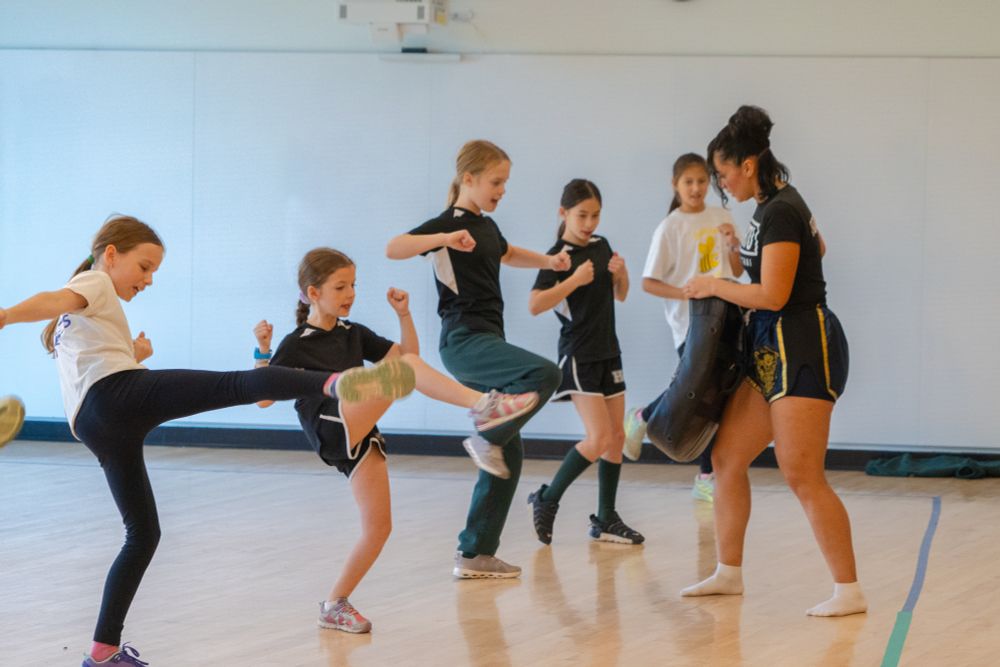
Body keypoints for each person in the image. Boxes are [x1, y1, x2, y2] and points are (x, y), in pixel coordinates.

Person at [0, 215, 416, 666]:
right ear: (112, 255)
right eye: (144, 267)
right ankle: (335, 383)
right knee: (236, 384)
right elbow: (53, 299)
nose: (149, 279)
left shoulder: (76, 318)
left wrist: (133, 354)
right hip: (116, 397)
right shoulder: (95, 281)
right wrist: (5, 315)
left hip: (94, 425)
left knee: (143, 534)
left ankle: (102, 652)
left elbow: (86, 356)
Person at [253, 247, 538, 632]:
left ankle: (334, 604)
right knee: (396, 372)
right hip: (330, 422)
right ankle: (485, 405)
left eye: (353, 285)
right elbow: (263, 397)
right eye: (340, 286)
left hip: (360, 432)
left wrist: (404, 314)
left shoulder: (354, 333)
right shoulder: (297, 341)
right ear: (313, 293)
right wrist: (263, 350)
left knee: (379, 528)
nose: (350, 293)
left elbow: (410, 361)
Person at [678, 106, 866, 617]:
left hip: (803, 347)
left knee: (801, 472)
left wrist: (716, 284)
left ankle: (848, 590)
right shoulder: (772, 206)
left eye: (723, 173)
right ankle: (728, 573)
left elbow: (775, 294)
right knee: (726, 457)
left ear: (748, 165)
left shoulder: (782, 209)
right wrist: (741, 263)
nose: (720, 184)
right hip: (770, 348)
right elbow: (817, 246)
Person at [386, 139, 565, 579]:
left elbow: (508, 253)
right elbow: (394, 247)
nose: (502, 190)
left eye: (505, 183)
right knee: (545, 373)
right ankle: (488, 434)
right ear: (469, 178)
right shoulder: (448, 225)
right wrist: (445, 239)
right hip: (463, 341)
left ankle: (475, 554)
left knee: (510, 452)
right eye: (496, 182)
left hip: (488, 340)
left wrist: (550, 261)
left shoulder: (486, 226)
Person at [524, 179, 643, 545]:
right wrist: (573, 280)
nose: (590, 223)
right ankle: (547, 498)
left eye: (595, 215)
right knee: (599, 437)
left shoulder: (602, 245)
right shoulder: (557, 257)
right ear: (563, 213)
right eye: (582, 215)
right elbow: (535, 304)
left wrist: (622, 275)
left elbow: (621, 295)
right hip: (579, 355)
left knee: (617, 436)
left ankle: (606, 517)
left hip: (609, 351)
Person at [622, 153, 743, 502]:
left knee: (717, 395)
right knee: (699, 393)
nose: (696, 188)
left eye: (701, 181)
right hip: (690, 322)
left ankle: (648, 419)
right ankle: (701, 472)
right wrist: (687, 294)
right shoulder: (670, 227)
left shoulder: (722, 216)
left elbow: (735, 270)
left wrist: (733, 244)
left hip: (726, 315)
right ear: (675, 185)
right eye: (688, 182)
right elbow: (649, 282)